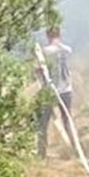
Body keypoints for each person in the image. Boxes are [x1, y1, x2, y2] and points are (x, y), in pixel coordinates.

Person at [35, 26, 75, 159]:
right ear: (59, 34)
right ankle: (75, 151)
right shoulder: (68, 50)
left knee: (43, 122)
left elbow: (39, 69)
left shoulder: (45, 52)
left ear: (48, 36)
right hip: (66, 90)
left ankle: (41, 154)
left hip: (50, 91)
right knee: (67, 120)